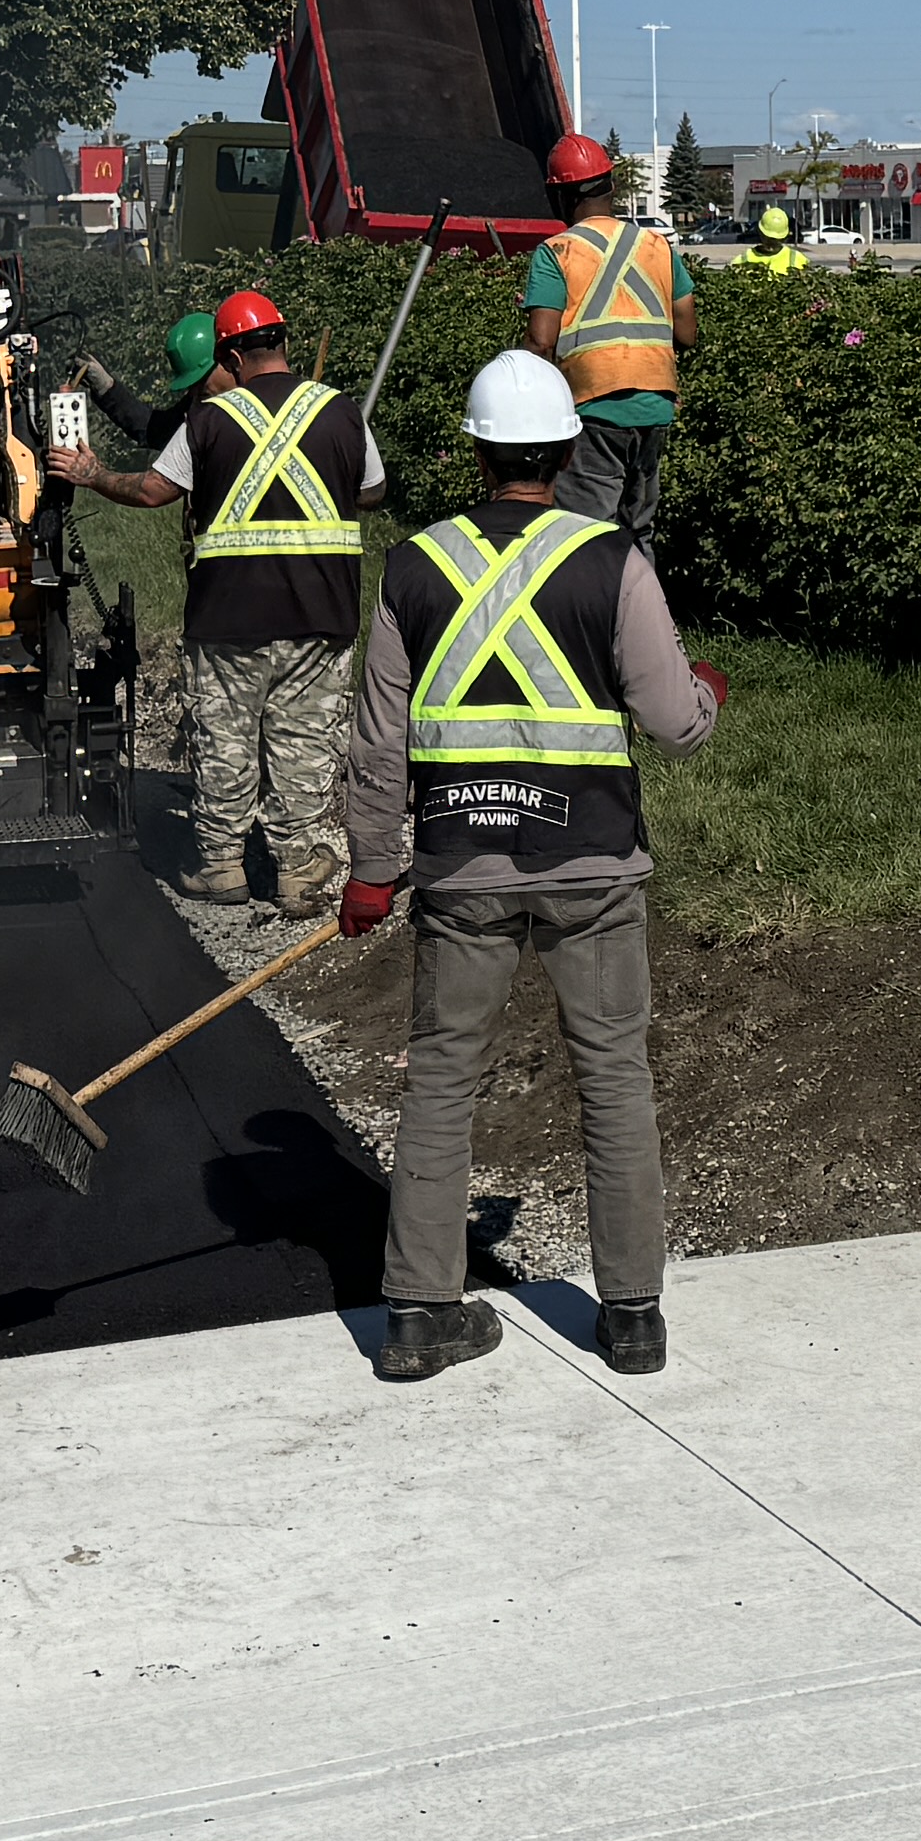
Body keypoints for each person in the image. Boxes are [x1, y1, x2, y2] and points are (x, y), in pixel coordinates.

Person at [339, 345, 724, 1385]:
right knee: (613, 1078)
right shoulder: (610, 560)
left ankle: (421, 1318)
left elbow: (376, 743)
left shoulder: (415, 566)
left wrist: (373, 868)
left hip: (460, 873)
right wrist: (706, 697)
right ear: (563, 450)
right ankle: (632, 1317)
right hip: (592, 866)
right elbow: (674, 724)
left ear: (476, 450)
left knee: (442, 1085)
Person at [48, 284, 379, 905]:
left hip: (229, 614)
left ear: (229, 357)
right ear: (283, 341)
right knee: (303, 742)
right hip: (322, 612)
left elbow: (151, 491)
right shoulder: (340, 411)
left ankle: (223, 866)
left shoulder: (206, 422)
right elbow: (373, 492)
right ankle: (297, 866)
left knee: (224, 738)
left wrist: (91, 474)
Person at [519, 131, 694, 545]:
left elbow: (541, 342)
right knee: (638, 531)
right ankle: (638, 607)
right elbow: (686, 332)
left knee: (586, 535)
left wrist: (516, 383)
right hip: (655, 405)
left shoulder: (557, 251)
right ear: (612, 186)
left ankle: (589, 609)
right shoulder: (656, 245)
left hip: (594, 408)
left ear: (559, 195)